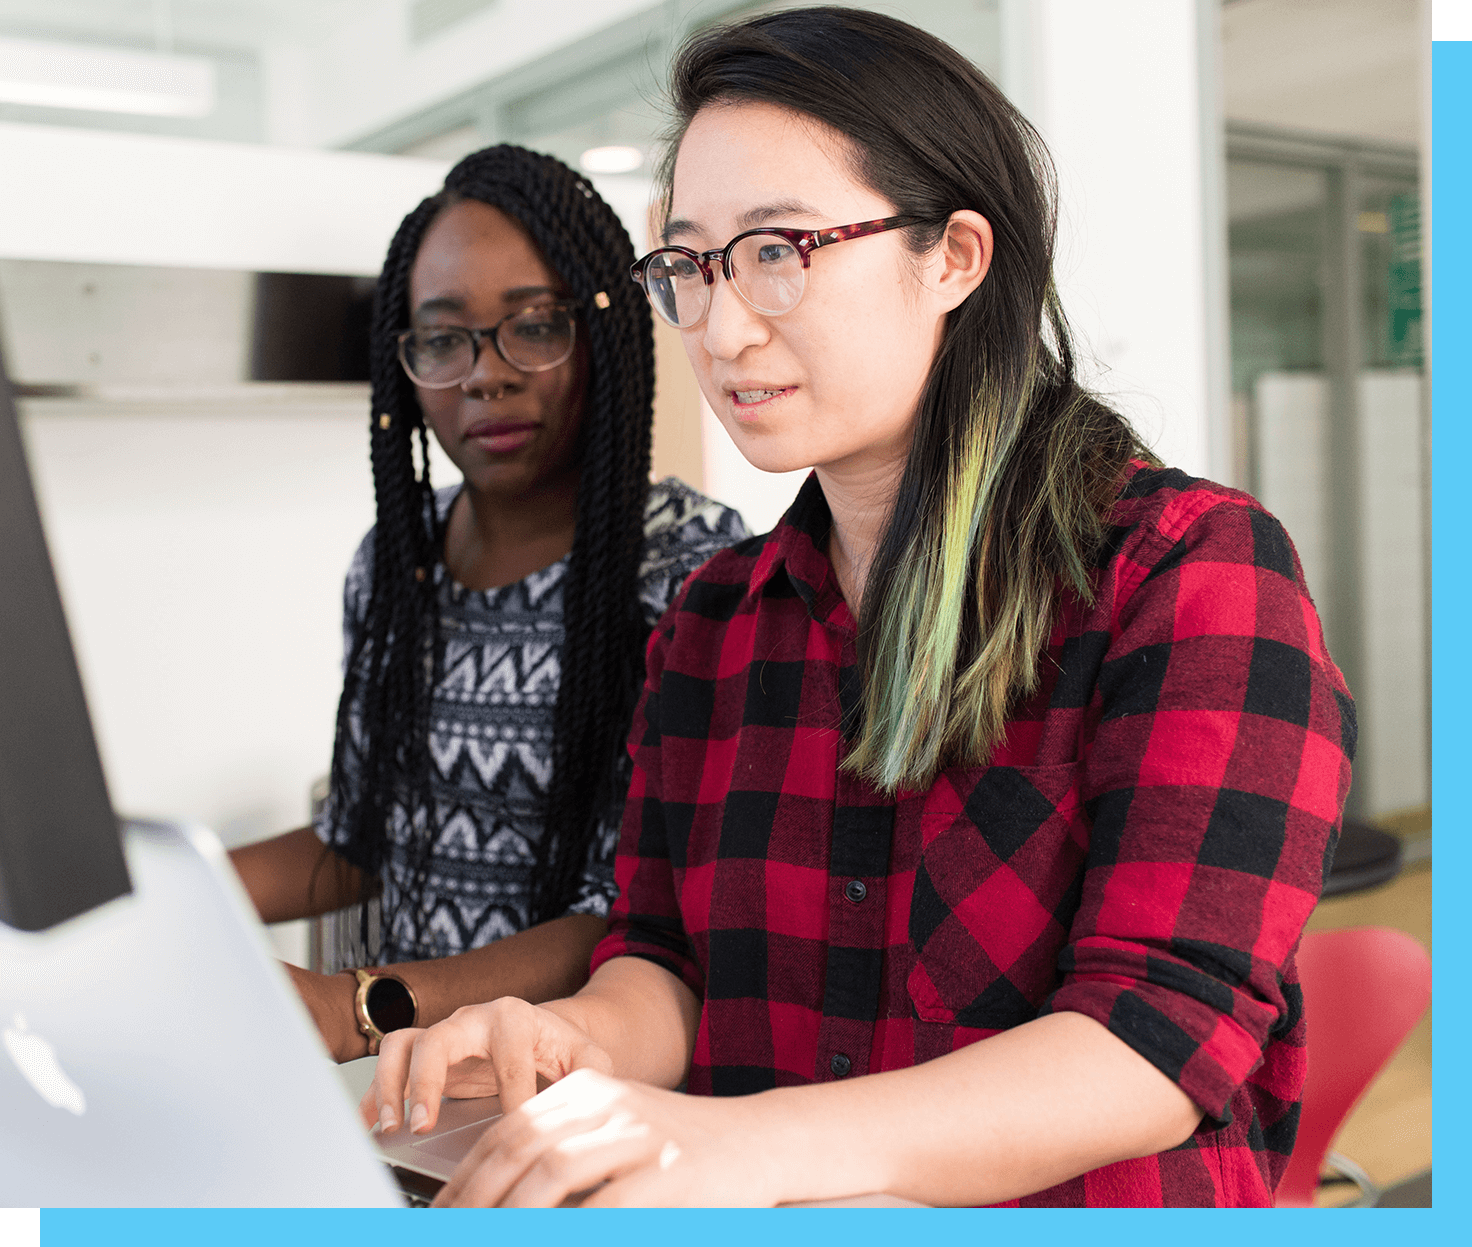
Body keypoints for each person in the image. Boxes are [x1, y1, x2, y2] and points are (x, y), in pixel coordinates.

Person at [362, 8, 1353, 1207]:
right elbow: (665, 960)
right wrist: (568, 1042)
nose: (723, 328)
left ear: (953, 257)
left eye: (777, 248)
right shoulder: (715, 619)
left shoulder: (1187, 573)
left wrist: (747, 1143)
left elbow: (1153, 1036)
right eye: (688, 265)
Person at [229, 145, 746, 1062]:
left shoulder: (689, 569)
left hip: (588, 1090)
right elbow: (360, 834)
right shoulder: (395, 563)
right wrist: (162, 892)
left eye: (534, 326)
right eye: (443, 338)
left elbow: (636, 914)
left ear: (603, 333)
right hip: (415, 1094)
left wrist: (361, 1006)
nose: (486, 374)